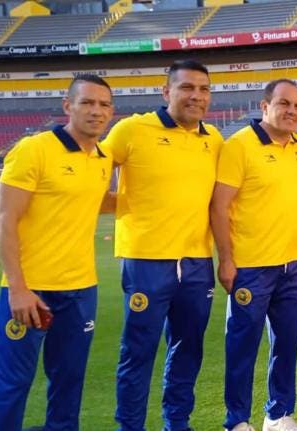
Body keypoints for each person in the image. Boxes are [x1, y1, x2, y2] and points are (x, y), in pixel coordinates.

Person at [103, 59, 223, 431]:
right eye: (187, 87)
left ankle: (177, 422)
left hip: (197, 261)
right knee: (138, 351)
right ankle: (130, 426)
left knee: (188, 348)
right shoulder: (131, 130)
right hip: (146, 261)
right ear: (166, 91)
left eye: (203, 89)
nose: (196, 96)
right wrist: (122, 204)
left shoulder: (213, 139)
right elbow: (91, 174)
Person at [0, 74, 114, 431]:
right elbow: (5, 218)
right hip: (31, 289)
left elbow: (92, 201)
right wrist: (18, 287)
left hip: (81, 289)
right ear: (68, 106)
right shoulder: (34, 149)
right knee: (11, 383)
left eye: (104, 105)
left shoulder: (102, 158)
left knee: (69, 380)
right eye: (87, 102)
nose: (96, 111)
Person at [210, 79, 297, 431]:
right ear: (265, 106)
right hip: (250, 267)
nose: (291, 111)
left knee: (286, 344)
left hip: (293, 264)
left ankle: (278, 415)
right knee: (242, 346)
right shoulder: (239, 146)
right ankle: (236, 420)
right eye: (284, 104)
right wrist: (226, 259)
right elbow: (219, 206)